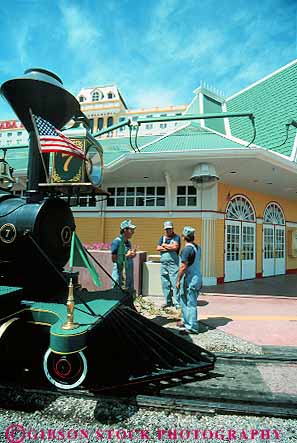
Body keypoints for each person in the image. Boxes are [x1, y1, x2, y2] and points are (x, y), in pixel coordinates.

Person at [176, 226, 202, 334]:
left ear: (183, 237)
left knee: (190, 303)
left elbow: (183, 267)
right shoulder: (197, 247)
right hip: (197, 277)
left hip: (190, 279)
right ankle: (186, 321)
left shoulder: (187, 249)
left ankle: (192, 327)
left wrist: (178, 280)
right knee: (185, 301)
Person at [156, 221, 181, 309]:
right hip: (163, 264)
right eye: (166, 229)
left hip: (173, 264)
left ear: (172, 229)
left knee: (175, 283)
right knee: (165, 283)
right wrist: (169, 247)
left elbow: (175, 247)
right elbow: (158, 248)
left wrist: (164, 246)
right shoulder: (162, 237)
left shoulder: (176, 237)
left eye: (169, 229)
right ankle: (168, 301)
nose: (168, 231)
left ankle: (177, 303)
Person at [111, 219, 136, 291]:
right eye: (131, 230)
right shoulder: (116, 242)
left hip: (128, 277)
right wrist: (127, 255)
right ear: (125, 230)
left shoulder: (128, 243)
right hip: (119, 277)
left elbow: (127, 256)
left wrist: (132, 255)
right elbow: (114, 259)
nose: (133, 232)